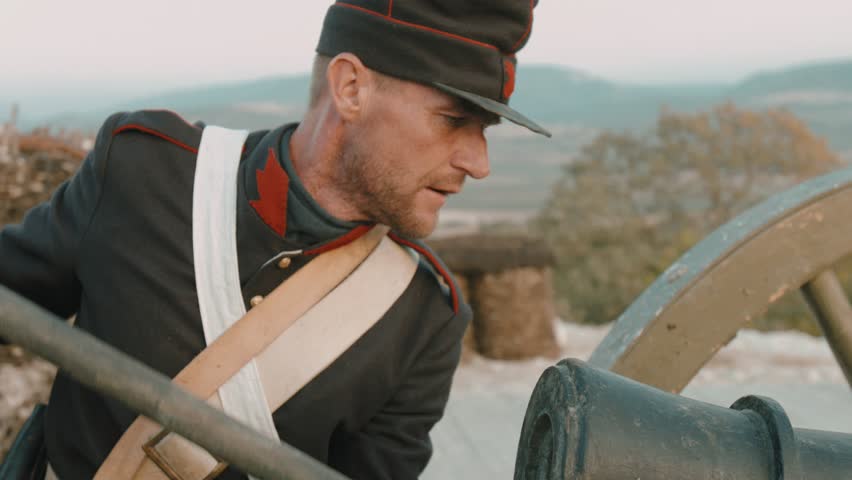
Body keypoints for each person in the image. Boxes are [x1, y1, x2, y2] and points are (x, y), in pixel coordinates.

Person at [0, 0, 550, 478]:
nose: (478, 163)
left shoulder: (424, 319)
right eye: (454, 120)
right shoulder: (142, 172)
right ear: (351, 88)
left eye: (484, 131)